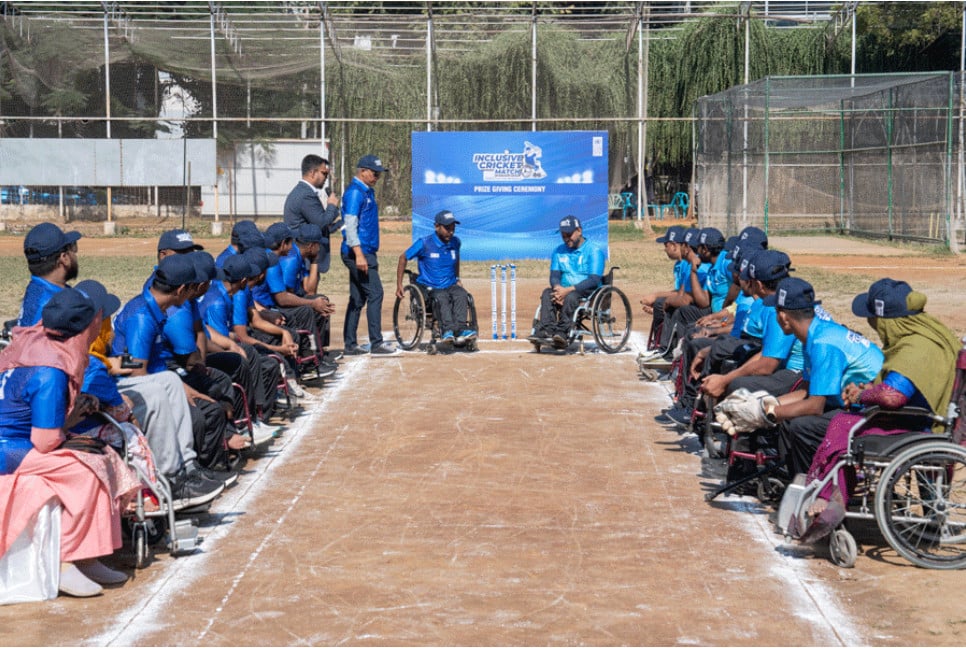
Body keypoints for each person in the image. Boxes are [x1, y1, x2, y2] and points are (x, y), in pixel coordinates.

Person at [0, 287, 139, 597]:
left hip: (14, 442)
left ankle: (88, 557)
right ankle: (65, 562)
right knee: (87, 470)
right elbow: (46, 438)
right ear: (83, 327)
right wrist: (69, 441)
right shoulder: (50, 369)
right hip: (9, 447)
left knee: (99, 456)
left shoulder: (36, 346)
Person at [798, 279, 959, 532]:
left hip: (919, 426)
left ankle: (829, 498)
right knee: (845, 421)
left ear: (885, 321)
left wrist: (863, 396)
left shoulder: (914, 347)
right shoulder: (931, 333)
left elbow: (892, 396)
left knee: (843, 425)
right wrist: (867, 388)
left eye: (873, 318)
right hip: (931, 418)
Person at [341, 154, 397, 355]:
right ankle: (376, 342)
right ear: (362, 171)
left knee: (357, 298)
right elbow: (350, 225)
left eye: (379, 174)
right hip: (360, 252)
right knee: (376, 293)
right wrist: (359, 254)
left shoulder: (366, 192)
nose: (377, 178)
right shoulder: (356, 193)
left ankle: (350, 344)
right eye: (374, 174)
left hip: (364, 251)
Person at [395, 210, 476, 349]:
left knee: (462, 294)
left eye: (453, 228)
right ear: (436, 226)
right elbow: (403, 257)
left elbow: (456, 259)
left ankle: (461, 329)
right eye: (447, 228)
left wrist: (457, 278)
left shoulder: (455, 242)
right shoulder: (424, 243)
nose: (450, 232)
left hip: (450, 284)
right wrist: (399, 284)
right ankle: (447, 330)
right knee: (441, 297)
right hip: (430, 286)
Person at [528, 215, 607, 350]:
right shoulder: (558, 251)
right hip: (563, 290)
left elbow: (594, 280)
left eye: (569, 234)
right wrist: (557, 288)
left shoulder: (594, 251)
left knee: (571, 296)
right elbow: (554, 275)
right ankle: (546, 329)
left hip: (587, 292)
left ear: (579, 231)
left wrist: (568, 290)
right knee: (547, 293)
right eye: (563, 235)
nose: (566, 238)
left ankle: (562, 332)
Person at [283, 154, 342, 274]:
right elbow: (321, 222)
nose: (326, 178)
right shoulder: (305, 195)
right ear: (312, 172)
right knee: (307, 291)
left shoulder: (304, 192)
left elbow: (320, 225)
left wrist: (340, 223)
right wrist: (331, 206)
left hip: (305, 255)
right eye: (324, 173)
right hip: (304, 257)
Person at [16, 222, 82, 327]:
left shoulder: (37, 290)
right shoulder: (57, 306)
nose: (75, 254)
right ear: (64, 258)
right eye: (73, 249)